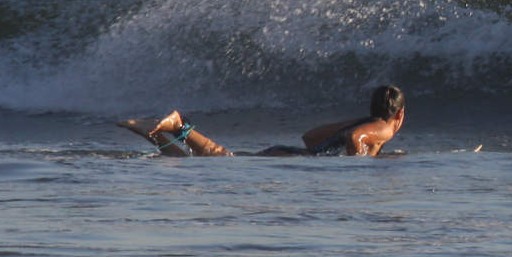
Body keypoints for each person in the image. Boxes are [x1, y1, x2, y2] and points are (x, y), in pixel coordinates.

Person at [118, 85, 406, 158]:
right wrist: (356, 170)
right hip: (291, 160)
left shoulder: (370, 128)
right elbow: (354, 139)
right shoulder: (383, 129)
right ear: (400, 115)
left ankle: (156, 134)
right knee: (219, 157)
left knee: (204, 158)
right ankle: (179, 124)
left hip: (290, 155)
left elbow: (310, 137)